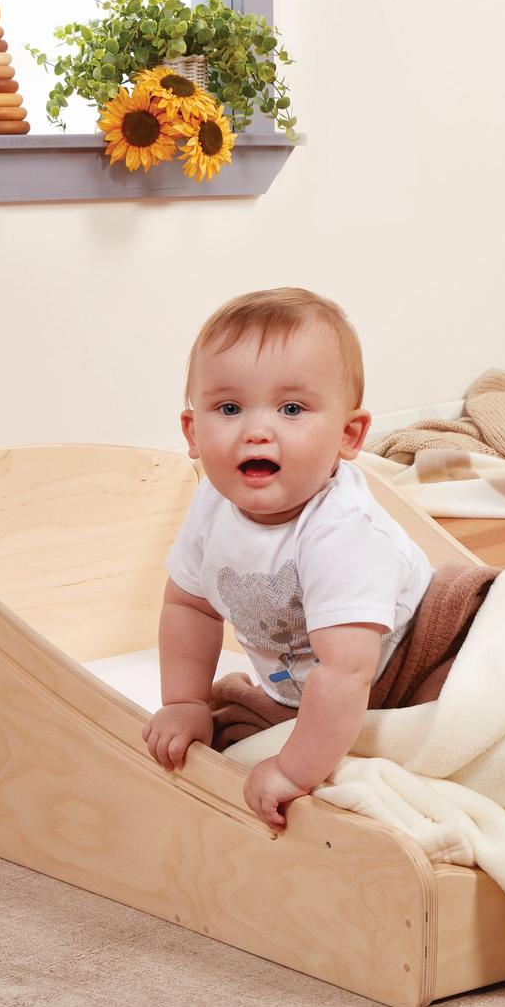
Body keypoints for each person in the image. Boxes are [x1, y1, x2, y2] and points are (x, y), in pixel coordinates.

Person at [143, 287, 433, 829]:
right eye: (228, 408)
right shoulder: (211, 502)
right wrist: (184, 701)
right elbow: (190, 605)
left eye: (292, 409)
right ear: (192, 433)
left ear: (349, 435)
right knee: (237, 724)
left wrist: (295, 772)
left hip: (411, 667)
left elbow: (347, 670)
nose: (256, 430)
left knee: (449, 722)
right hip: (313, 687)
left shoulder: (341, 532)